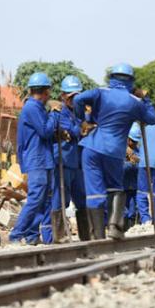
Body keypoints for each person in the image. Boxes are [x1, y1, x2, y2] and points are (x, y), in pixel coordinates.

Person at [74, 63, 155, 240]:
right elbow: (152, 119)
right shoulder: (134, 102)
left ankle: (97, 236)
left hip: (91, 147)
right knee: (115, 188)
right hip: (114, 151)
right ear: (131, 81)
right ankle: (114, 227)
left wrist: (83, 120)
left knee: (94, 192)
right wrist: (145, 99)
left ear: (111, 78)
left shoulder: (100, 92)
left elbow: (77, 100)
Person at [9, 72, 60, 245]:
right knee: (36, 198)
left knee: (43, 199)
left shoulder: (37, 108)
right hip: (37, 159)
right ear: (45, 92)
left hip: (42, 159)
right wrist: (54, 114)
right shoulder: (32, 108)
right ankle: (16, 234)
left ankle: (31, 235)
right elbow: (45, 131)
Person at [46, 75, 90, 244]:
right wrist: (81, 128)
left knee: (82, 198)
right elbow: (72, 131)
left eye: (77, 96)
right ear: (63, 96)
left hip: (78, 162)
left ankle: (87, 236)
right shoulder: (58, 112)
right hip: (63, 161)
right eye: (71, 96)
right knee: (60, 200)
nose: (75, 99)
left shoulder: (81, 113)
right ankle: (60, 236)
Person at [124, 123, 142, 229]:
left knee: (135, 209)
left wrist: (136, 161)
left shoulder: (137, 151)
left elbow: (142, 163)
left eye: (136, 141)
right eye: (132, 141)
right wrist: (130, 164)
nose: (134, 143)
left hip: (135, 185)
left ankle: (135, 228)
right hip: (124, 185)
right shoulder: (121, 149)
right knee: (124, 210)